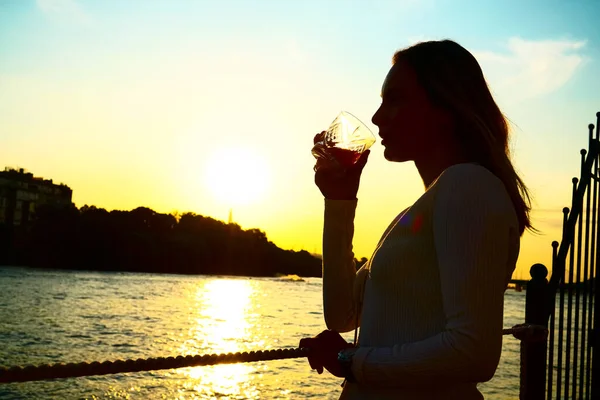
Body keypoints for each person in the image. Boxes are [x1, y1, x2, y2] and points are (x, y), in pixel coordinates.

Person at [300, 39, 533, 399]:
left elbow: (474, 353)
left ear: (446, 108)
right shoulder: (418, 211)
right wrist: (339, 200)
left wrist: (351, 361)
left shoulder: (467, 185)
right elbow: (343, 313)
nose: (377, 117)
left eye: (395, 99)